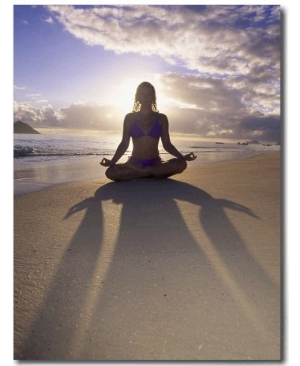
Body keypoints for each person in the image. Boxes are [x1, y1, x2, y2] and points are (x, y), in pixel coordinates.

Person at [100, 81, 197, 181]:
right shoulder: (130, 118)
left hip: (155, 163)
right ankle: (151, 173)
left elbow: (167, 144)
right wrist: (113, 161)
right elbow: (124, 143)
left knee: (182, 164)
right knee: (110, 172)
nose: (145, 97)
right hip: (134, 163)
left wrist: (181, 157)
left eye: (149, 94)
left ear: (153, 97)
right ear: (137, 97)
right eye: (142, 94)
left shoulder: (161, 118)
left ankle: (142, 172)